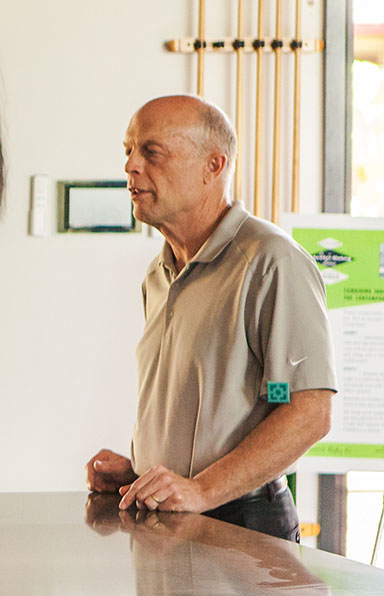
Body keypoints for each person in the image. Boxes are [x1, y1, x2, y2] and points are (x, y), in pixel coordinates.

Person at [86, 95, 336, 542]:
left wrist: (200, 489)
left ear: (213, 166)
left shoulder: (272, 262)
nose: (131, 167)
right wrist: (141, 470)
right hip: (171, 518)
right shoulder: (158, 273)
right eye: (128, 150)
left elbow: (309, 411)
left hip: (243, 523)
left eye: (151, 151)